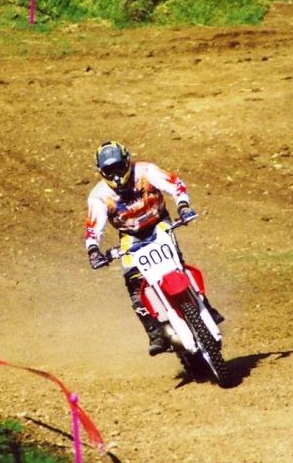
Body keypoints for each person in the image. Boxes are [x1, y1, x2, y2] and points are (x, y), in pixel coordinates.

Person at [85, 141, 220, 355]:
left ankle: (206, 307)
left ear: (127, 162)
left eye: (119, 167)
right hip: (130, 236)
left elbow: (175, 184)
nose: (117, 175)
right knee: (133, 280)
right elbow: (94, 226)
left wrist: (183, 205)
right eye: (110, 171)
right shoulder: (99, 196)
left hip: (158, 223)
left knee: (176, 263)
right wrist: (93, 249)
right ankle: (154, 332)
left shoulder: (146, 172)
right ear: (102, 172)